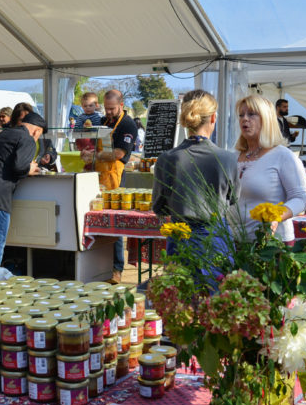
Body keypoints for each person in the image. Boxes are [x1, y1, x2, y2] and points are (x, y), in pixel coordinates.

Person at [151, 90, 239, 273]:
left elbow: (159, 206)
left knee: (179, 296)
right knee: (215, 297)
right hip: (215, 237)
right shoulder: (228, 159)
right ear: (214, 117)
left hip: (180, 237)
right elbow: (233, 200)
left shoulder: (167, 158)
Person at [0, 111, 46, 266]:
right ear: (36, 131)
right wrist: (29, 169)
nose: (37, 138)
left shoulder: (4, 133)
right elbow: (19, 167)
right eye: (39, 135)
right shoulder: (28, 139)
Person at [233, 94, 306, 243]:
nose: (245, 119)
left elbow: (301, 198)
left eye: (252, 114)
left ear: (266, 119)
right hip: (234, 243)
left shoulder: (283, 156)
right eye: (241, 115)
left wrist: (276, 216)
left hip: (272, 244)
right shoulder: (233, 156)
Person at [87, 90, 139, 282]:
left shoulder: (128, 124)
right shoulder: (104, 121)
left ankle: (117, 269)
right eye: (106, 109)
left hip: (116, 177)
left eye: (112, 109)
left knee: (114, 221)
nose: (108, 113)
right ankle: (98, 264)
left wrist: (96, 156)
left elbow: (119, 153)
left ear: (121, 104)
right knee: (99, 218)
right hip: (99, 174)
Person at [9, 102, 57, 170]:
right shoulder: (12, 138)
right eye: (22, 120)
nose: (26, 122)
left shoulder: (40, 134)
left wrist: (49, 155)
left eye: (28, 118)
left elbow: (52, 151)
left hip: (38, 174)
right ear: (15, 121)